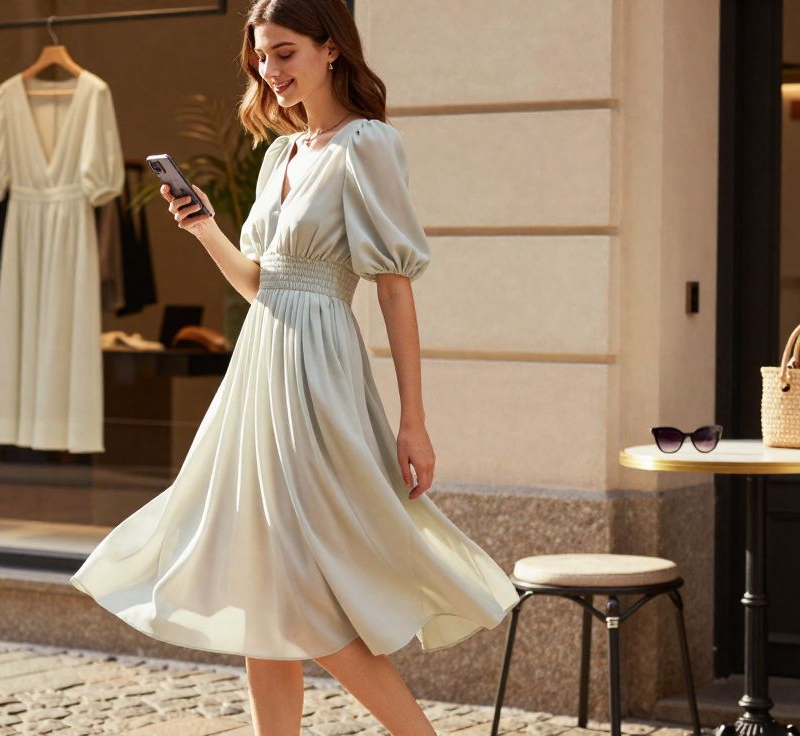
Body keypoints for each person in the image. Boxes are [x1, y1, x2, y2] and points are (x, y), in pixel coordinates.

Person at [69, 1, 520, 733]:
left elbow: (395, 289)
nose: (270, 72)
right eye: (261, 58)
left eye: (284, 53)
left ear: (330, 50)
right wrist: (205, 226)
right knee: (262, 587)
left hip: (317, 376)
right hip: (258, 370)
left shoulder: (367, 145)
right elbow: (259, 285)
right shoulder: (280, 155)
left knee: (305, 593)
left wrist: (414, 419)